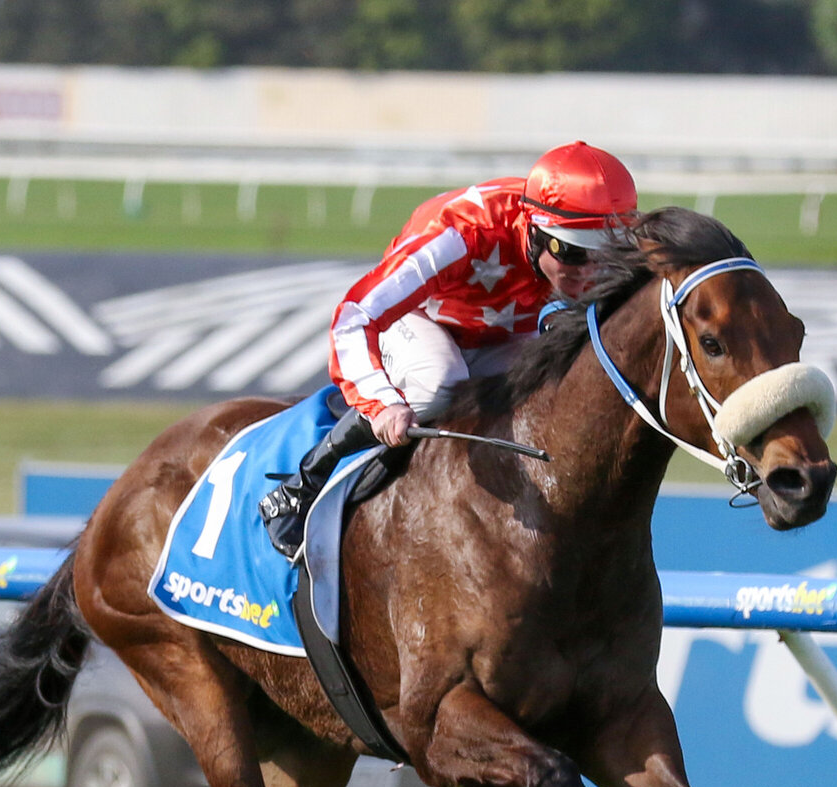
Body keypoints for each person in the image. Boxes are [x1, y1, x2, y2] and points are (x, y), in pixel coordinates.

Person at [259, 140, 639, 558]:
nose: (589, 273)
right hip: (422, 317)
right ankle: (304, 485)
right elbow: (354, 317)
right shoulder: (463, 233)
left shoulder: (604, 248)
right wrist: (383, 404)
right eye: (570, 252)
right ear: (532, 228)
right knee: (442, 384)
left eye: (607, 256)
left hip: (500, 331)